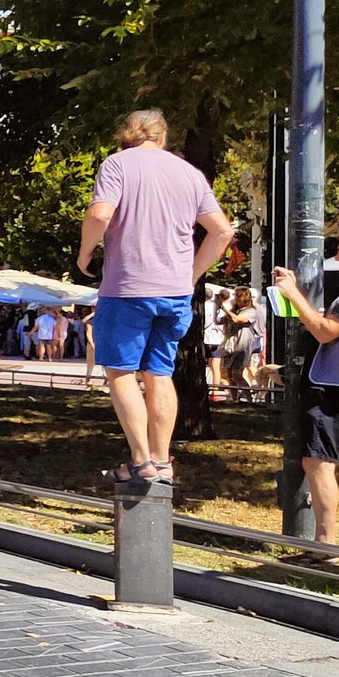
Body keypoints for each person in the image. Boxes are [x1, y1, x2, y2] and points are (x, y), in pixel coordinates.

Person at [78, 108, 235, 486]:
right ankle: (162, 461)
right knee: (160, 373)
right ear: (162, 137)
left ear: (126, 135)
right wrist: (191, 275)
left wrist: (85, 255)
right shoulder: (189, 173)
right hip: (175, 293)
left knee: (120, 374)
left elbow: (99, 215)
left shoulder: (117, 165)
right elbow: (222, 231)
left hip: (128, 288)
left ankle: (140, 461)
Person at [274, 232, 339, 563]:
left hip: (337, 390)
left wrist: (293, 293)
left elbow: (325, 331)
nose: (337, 256)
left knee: (319, 462)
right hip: (338, 387)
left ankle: (324, 546)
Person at [220, 288, 259, 388]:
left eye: (238, 296)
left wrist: (223, 308)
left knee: (237, 374)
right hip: (230, 345)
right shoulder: (234, 311)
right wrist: (217, 306)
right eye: (235, 296)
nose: (235, 298)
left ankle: (247, 395)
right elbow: (218, 321)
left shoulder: (251, 311)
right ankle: (234, 396)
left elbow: (237, 319)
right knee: (229, 375)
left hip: (242, 345)